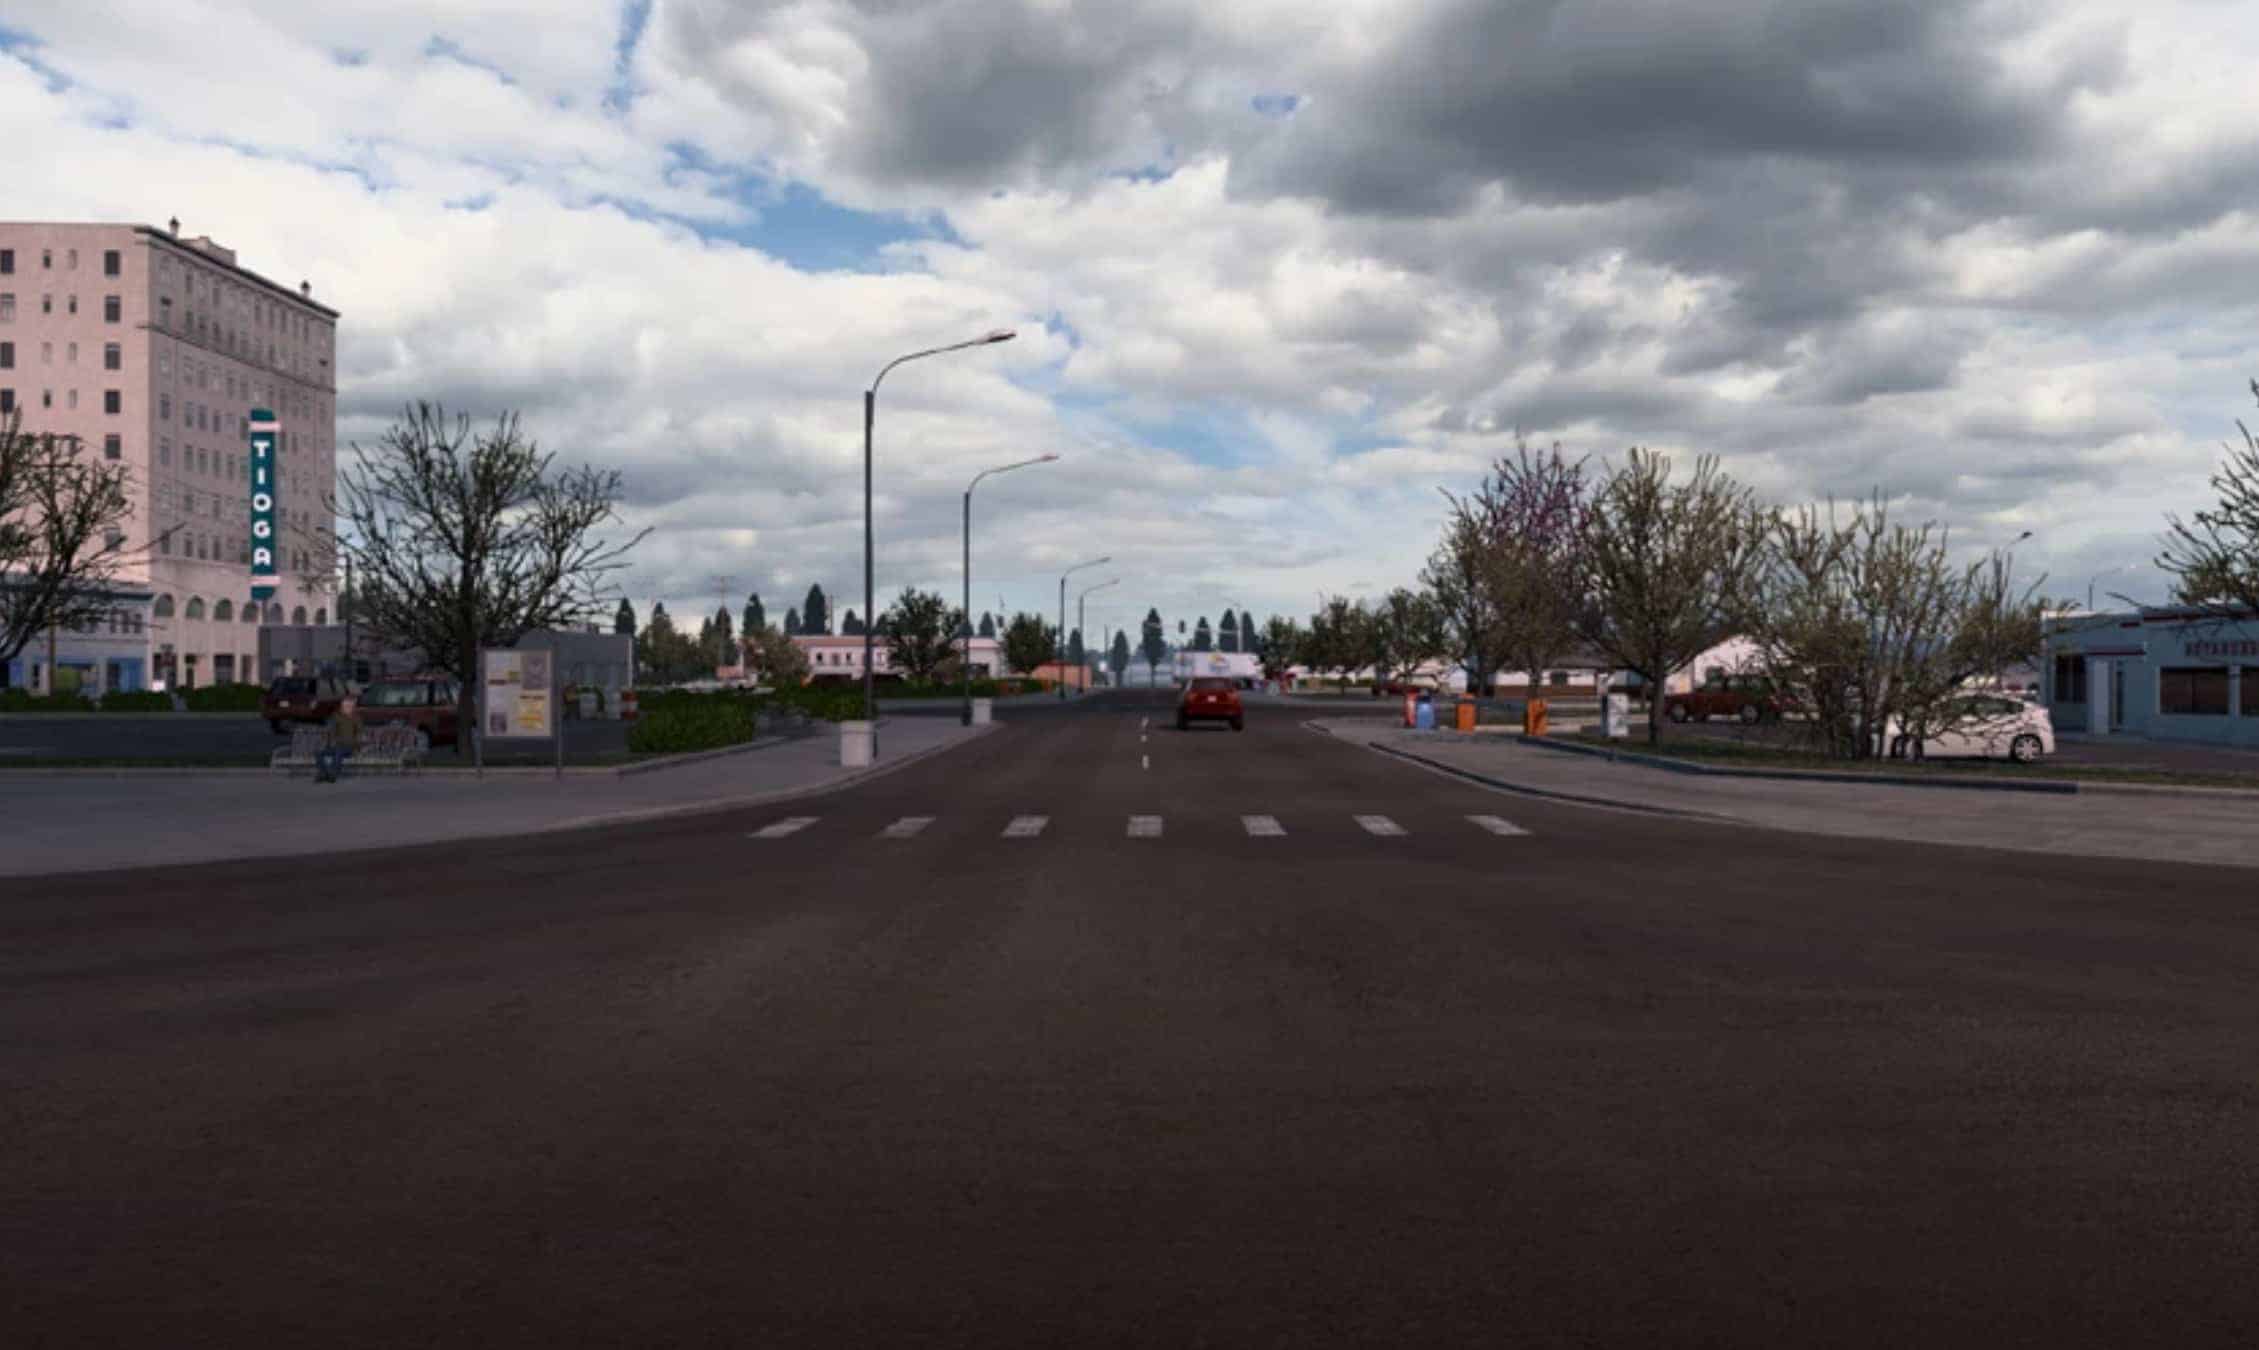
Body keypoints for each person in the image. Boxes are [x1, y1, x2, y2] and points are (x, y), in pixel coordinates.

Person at [314, 693, 361, 784]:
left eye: (349, 705)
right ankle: (324, 773)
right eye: (345, 705)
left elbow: (360, 734)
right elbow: (330, 731)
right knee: (318, 752)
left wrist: (356, 744)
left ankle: (333, 774)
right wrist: (330, 741)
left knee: (339, 751)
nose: (347, 707)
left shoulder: (356, 718)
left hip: (349, 747)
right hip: (336, 745)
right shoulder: (336, 716)